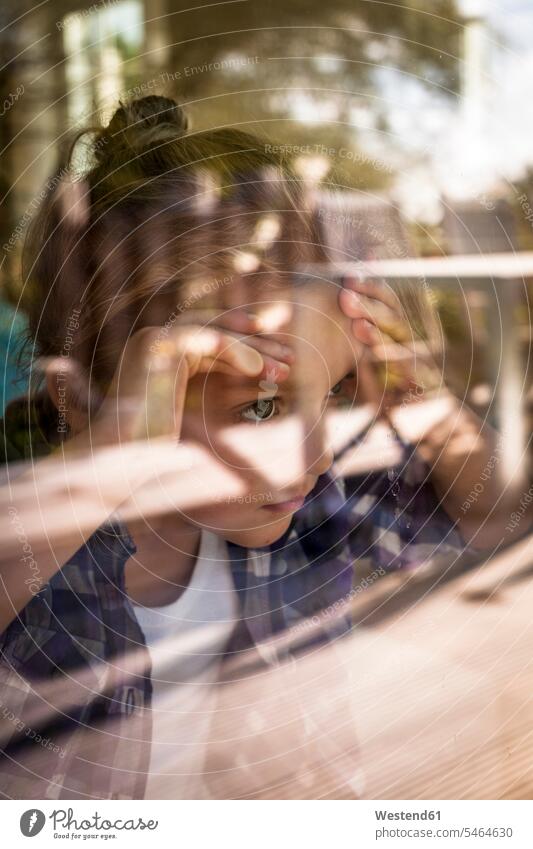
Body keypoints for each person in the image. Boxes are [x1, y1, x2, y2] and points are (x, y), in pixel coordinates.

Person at [0, 96, 516, 800]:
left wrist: (416, 389)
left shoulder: (302, 522)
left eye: (330, 396)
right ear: (81, 407)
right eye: (261, 408)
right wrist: (117, 454)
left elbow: (494, 512)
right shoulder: (44, 571)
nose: (314, 455)